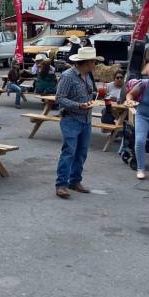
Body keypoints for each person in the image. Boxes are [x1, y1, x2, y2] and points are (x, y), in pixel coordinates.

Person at [54, 45, 102, 198]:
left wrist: (92, 98)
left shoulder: (87, 75)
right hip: (71, 119)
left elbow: (89, 93)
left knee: (81, 153)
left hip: (85, 119)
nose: (95, 64)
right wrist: (78, 105)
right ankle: (61, 184)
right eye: (93, 61)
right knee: (69, 152)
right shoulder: (68, 76)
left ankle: (74, 181)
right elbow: (59, 98)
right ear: (87, 62)